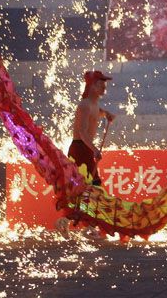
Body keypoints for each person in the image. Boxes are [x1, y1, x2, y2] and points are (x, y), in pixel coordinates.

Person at [55, 70, 117, 237]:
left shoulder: (94, 104)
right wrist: (94, 149)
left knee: (92, 187)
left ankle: (80, 223)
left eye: (104, 84)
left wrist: (106, 114)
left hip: (86, 149)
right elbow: (82, 131)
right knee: (88, 187)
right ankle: (77, 223)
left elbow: (97, 111)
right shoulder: (84, 105)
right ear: (91, 85)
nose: (104, 87)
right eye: (100, 83)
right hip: (80, 149)